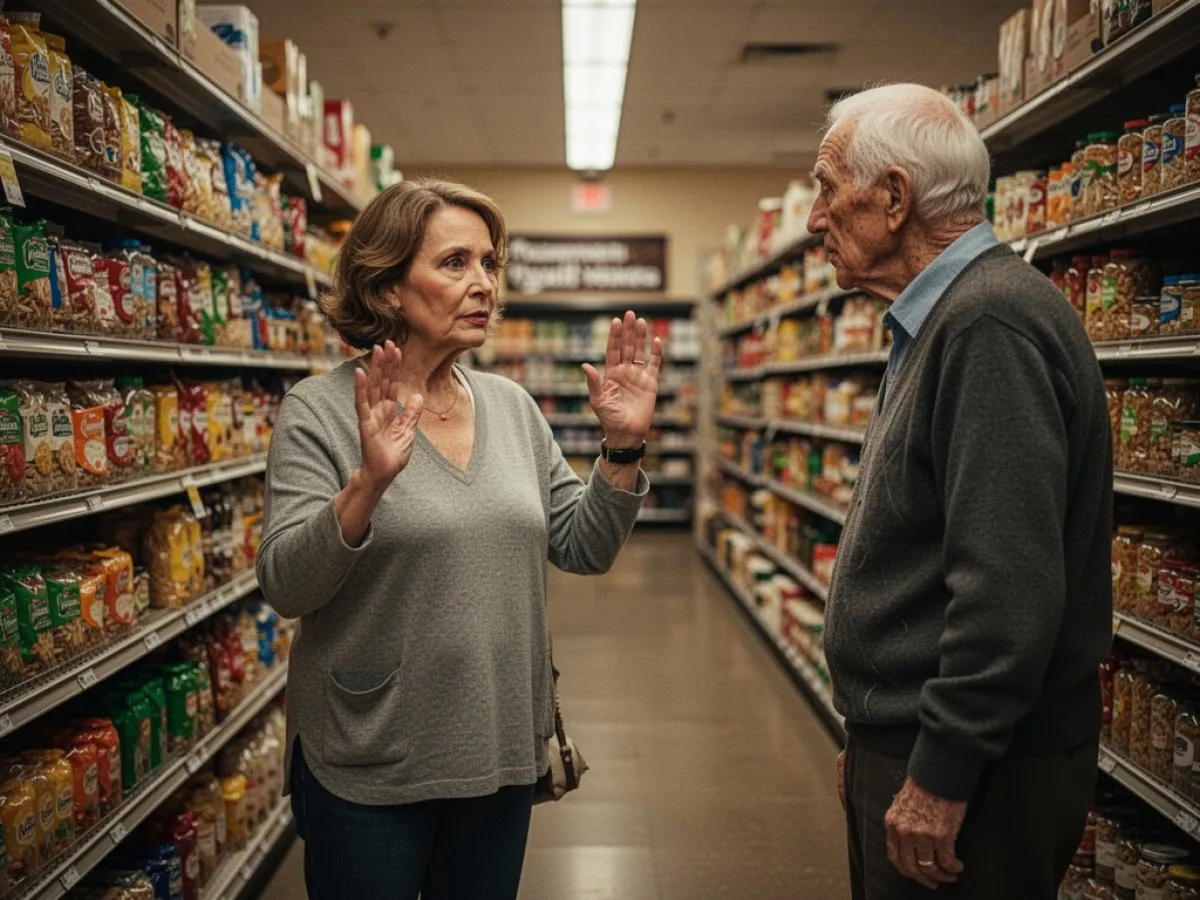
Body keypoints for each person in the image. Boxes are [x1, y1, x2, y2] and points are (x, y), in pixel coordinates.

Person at [256, 179, 661, 900]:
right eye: (455, 263)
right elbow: (286, 585)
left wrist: (622, 449)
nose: (484, 285)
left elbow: (583, 545)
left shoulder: (510, 406)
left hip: (498, 739)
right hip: (371, 747)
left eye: (489, 263)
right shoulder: (317, 413)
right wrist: (366, 487)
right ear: (386, 289)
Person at [809, 84, 1113, 899]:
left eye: (827, 188)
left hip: (983, 768)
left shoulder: (986, 326)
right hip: (920, 737)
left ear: (895, 197)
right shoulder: (942, 320)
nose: (815, 218)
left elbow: (1005, 586)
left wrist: (939, 767)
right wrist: (876, 725)